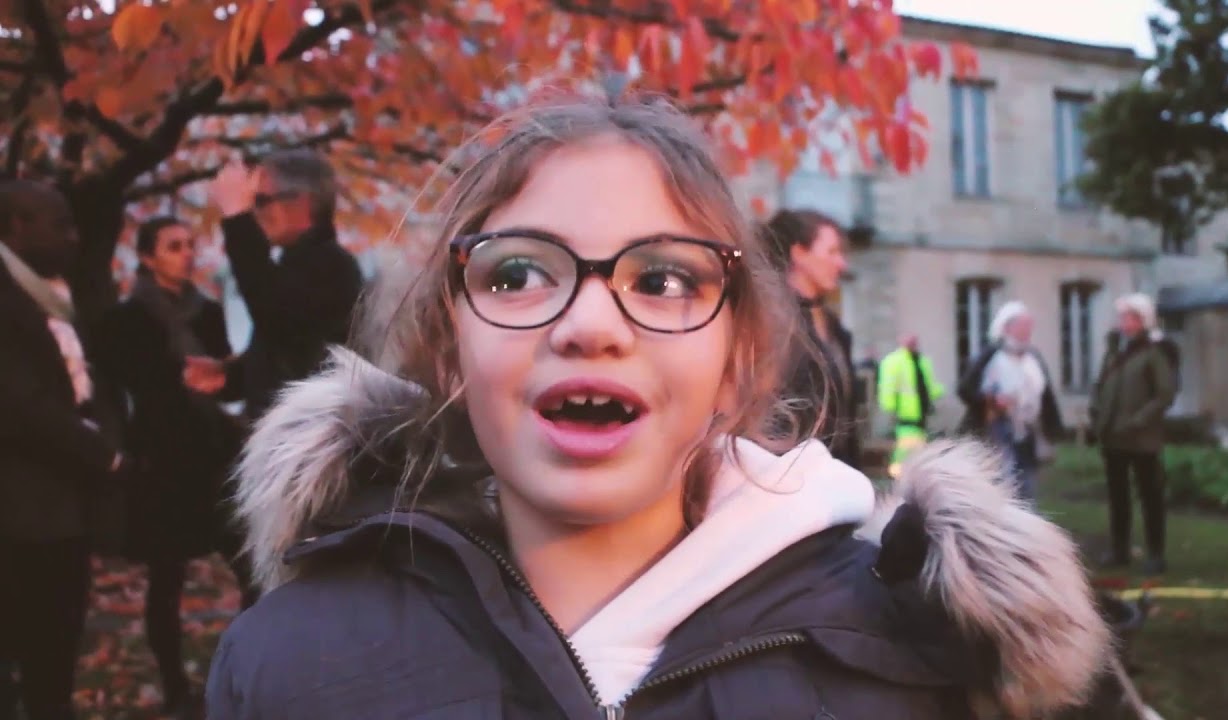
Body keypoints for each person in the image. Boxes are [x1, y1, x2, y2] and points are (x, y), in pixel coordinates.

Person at [205, 92, 1108, 719]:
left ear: (737, 363)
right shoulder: (287, 662)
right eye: (518, 273)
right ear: (449, 354)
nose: (590, 323)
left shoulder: (908, 658)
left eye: (665, 277)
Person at [92, 217, 256, 718]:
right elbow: (117, 391)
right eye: (173, 247)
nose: (187, 254)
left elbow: (229, 377)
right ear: (147, 257)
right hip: (162, 458)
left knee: (253, 568)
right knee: (168, 577)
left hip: (213, 453)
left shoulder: (206, 312)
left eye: (190, 245)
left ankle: (242, 673)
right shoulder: (122, 320)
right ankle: (174, 686)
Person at [0, 180, 126, 720]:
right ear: (17, 224)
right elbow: (24, 405)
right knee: (32, 657)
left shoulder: (57, 294)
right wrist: (104, 454)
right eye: (59, 224)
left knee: (54, 663)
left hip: (59, 512)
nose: (72, 237)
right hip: (21, 514)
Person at [184, 149, 364, 424]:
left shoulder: (330, 265)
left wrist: (236, 218)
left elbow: (276, 314)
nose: (255, 212)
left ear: (303, 203)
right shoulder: (301, 264)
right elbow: (289, 345)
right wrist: (231, 376)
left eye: (261, 201)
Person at [763, 209, 863, 468]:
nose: (841, 264)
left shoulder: (833, 327)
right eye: (832, 252)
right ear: (799, 254)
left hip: (837, 478)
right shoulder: (773, 324)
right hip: (791, 481)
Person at [1089, 293, 1176, 575]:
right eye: (1122, 317)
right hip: (1113, 437)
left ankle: (1155, 554)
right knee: (1118, 497)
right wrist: (1097, 413)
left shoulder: (1155, 351)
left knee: (1150, 496)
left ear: (1142, 320)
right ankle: (1120, 550)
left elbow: (1164, 394)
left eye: (1129, 317)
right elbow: (1103, 384)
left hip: (1142, 439)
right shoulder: (1116, 351)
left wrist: (1139, 420)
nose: (1123, 322)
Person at [957, 301, 1064, 502]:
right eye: (1023, 326)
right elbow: (966, 389)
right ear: (1007, 327)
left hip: (1027, 431)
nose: (1027, 331)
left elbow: (1046, 395)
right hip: (996, 430)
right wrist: (992, 399)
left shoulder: (1033, 357)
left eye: (1029, 326)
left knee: (1028, 484)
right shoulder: (991, 356)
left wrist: (1054, 429)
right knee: (1003, 484)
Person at [878, 333, 944, 477]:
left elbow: (928, 384)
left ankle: (908, 475)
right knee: (906, 447)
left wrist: (938, 393)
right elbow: (888, 387)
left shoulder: (921, 361)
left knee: (917, 446)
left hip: (920, 414)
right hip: (906, 414)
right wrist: (890, 407)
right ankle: (899, 476)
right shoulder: (895, 361)